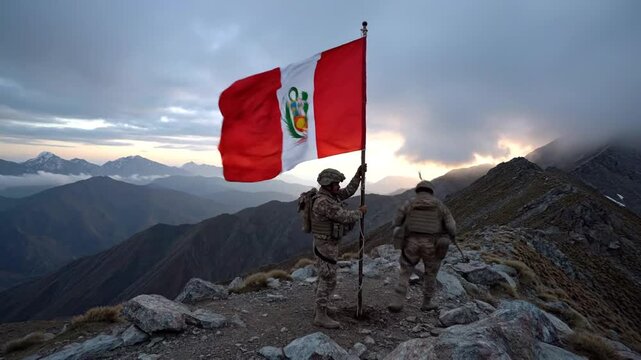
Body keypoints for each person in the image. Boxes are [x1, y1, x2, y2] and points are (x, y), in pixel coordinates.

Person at [388, 180, 465, 313]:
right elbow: (452, 227)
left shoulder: (409, 203)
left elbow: (396, 221)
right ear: (431, 191)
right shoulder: (439, 205)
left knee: (405, 272)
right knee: (431, 273)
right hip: (431, 244)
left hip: (411, 243)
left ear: (418, 190)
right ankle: (426, 303)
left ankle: (397, 302)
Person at [311, 165, 367, 328]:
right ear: (328, 184)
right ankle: (320, 315)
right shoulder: (324, 202)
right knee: (329, 279)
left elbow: (347, 191)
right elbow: (345, 217)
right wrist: (360, 212)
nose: (339, 187)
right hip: (325, 245)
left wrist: (358, 175)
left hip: (327, 244)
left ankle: (321, 308)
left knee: (324, 276)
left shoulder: (330, 196)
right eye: (336, 184)